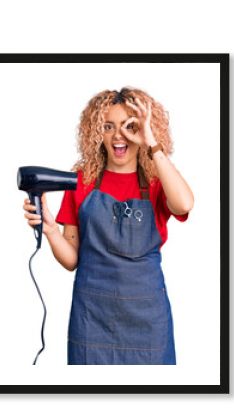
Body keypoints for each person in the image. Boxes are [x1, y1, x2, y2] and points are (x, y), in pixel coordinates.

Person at [23, 87, 194, 365]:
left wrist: (152, 143)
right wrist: (51, 229)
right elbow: (71, 260)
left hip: (147, 320)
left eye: (129, 126)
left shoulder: (157, 181)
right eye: (108, 126)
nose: (118, 135)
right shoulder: (82, 181)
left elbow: (185, 204)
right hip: (92, 318)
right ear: (95, 132)